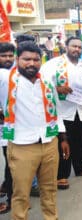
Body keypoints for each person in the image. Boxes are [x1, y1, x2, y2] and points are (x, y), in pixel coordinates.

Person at [0, 41, 70, 220]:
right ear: (17, 60)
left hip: (49, 143)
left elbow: (57, 110)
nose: (31, 63)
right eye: (26, 59)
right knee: (21, 194)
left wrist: (63, 138)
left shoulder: (46, 82)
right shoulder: (5, 79)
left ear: (41, 60)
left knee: (49, 190)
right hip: (22, 146)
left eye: (35, 59)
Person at [40, 36, 82, 190]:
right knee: (63, 145)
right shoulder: (53, 65)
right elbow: (42, 83)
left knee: (81, 141)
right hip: (63, 112)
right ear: (66, 46)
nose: (76, 49)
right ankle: (61, 175)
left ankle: (81, 167)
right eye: (73, 46)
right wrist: (56, 88)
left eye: (79, 47)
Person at [0, 42, 15, 214]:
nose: (7, 59)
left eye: (10, 55)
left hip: (10, 128)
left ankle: (12, 196)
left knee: (12, 162)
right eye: (3, 56)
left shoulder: (15, 73)